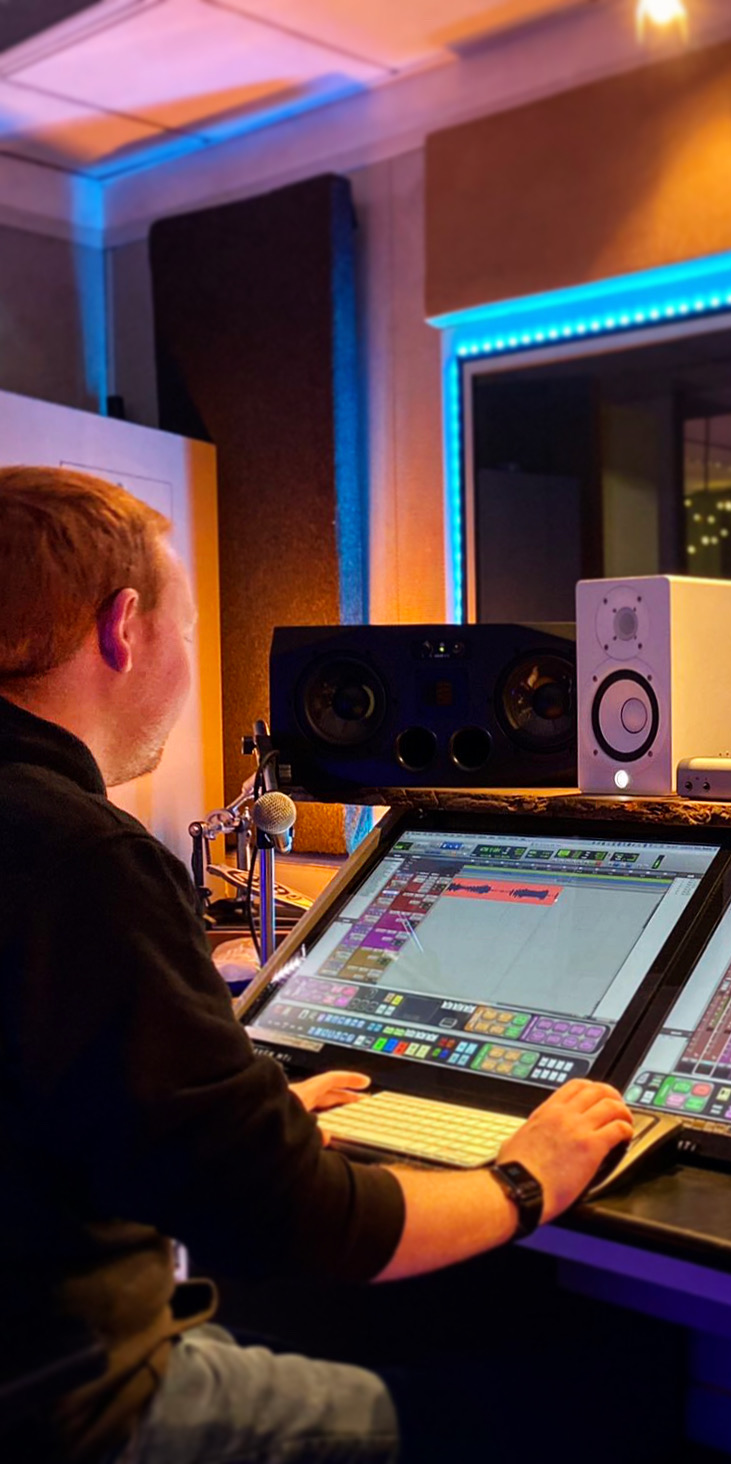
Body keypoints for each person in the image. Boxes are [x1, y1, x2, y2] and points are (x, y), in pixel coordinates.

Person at [0, 465, 635, 1464]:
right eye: (190, 631)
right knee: (500, 1420)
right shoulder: (83, 858)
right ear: (125, 628)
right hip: (68, 1404)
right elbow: (293, 1220)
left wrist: (235, 1117)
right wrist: (526, 1176)